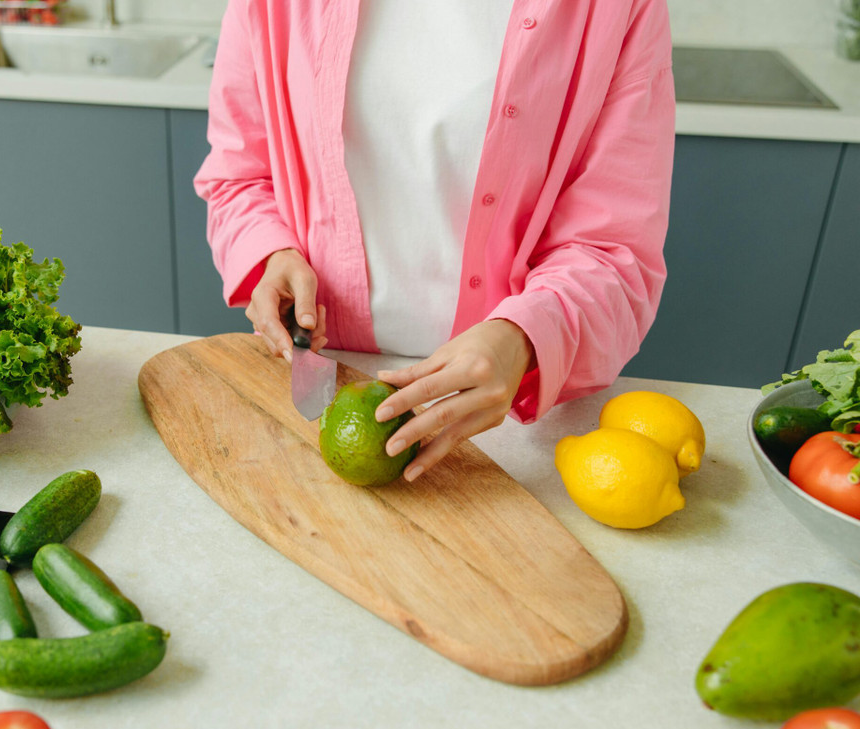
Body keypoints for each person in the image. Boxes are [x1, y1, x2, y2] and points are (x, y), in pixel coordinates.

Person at [193, 0, 676, 482]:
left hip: (510, 417)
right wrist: (271, 253)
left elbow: (616, 250)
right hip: (332, 378)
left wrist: (524, 338)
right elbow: (239, 178)